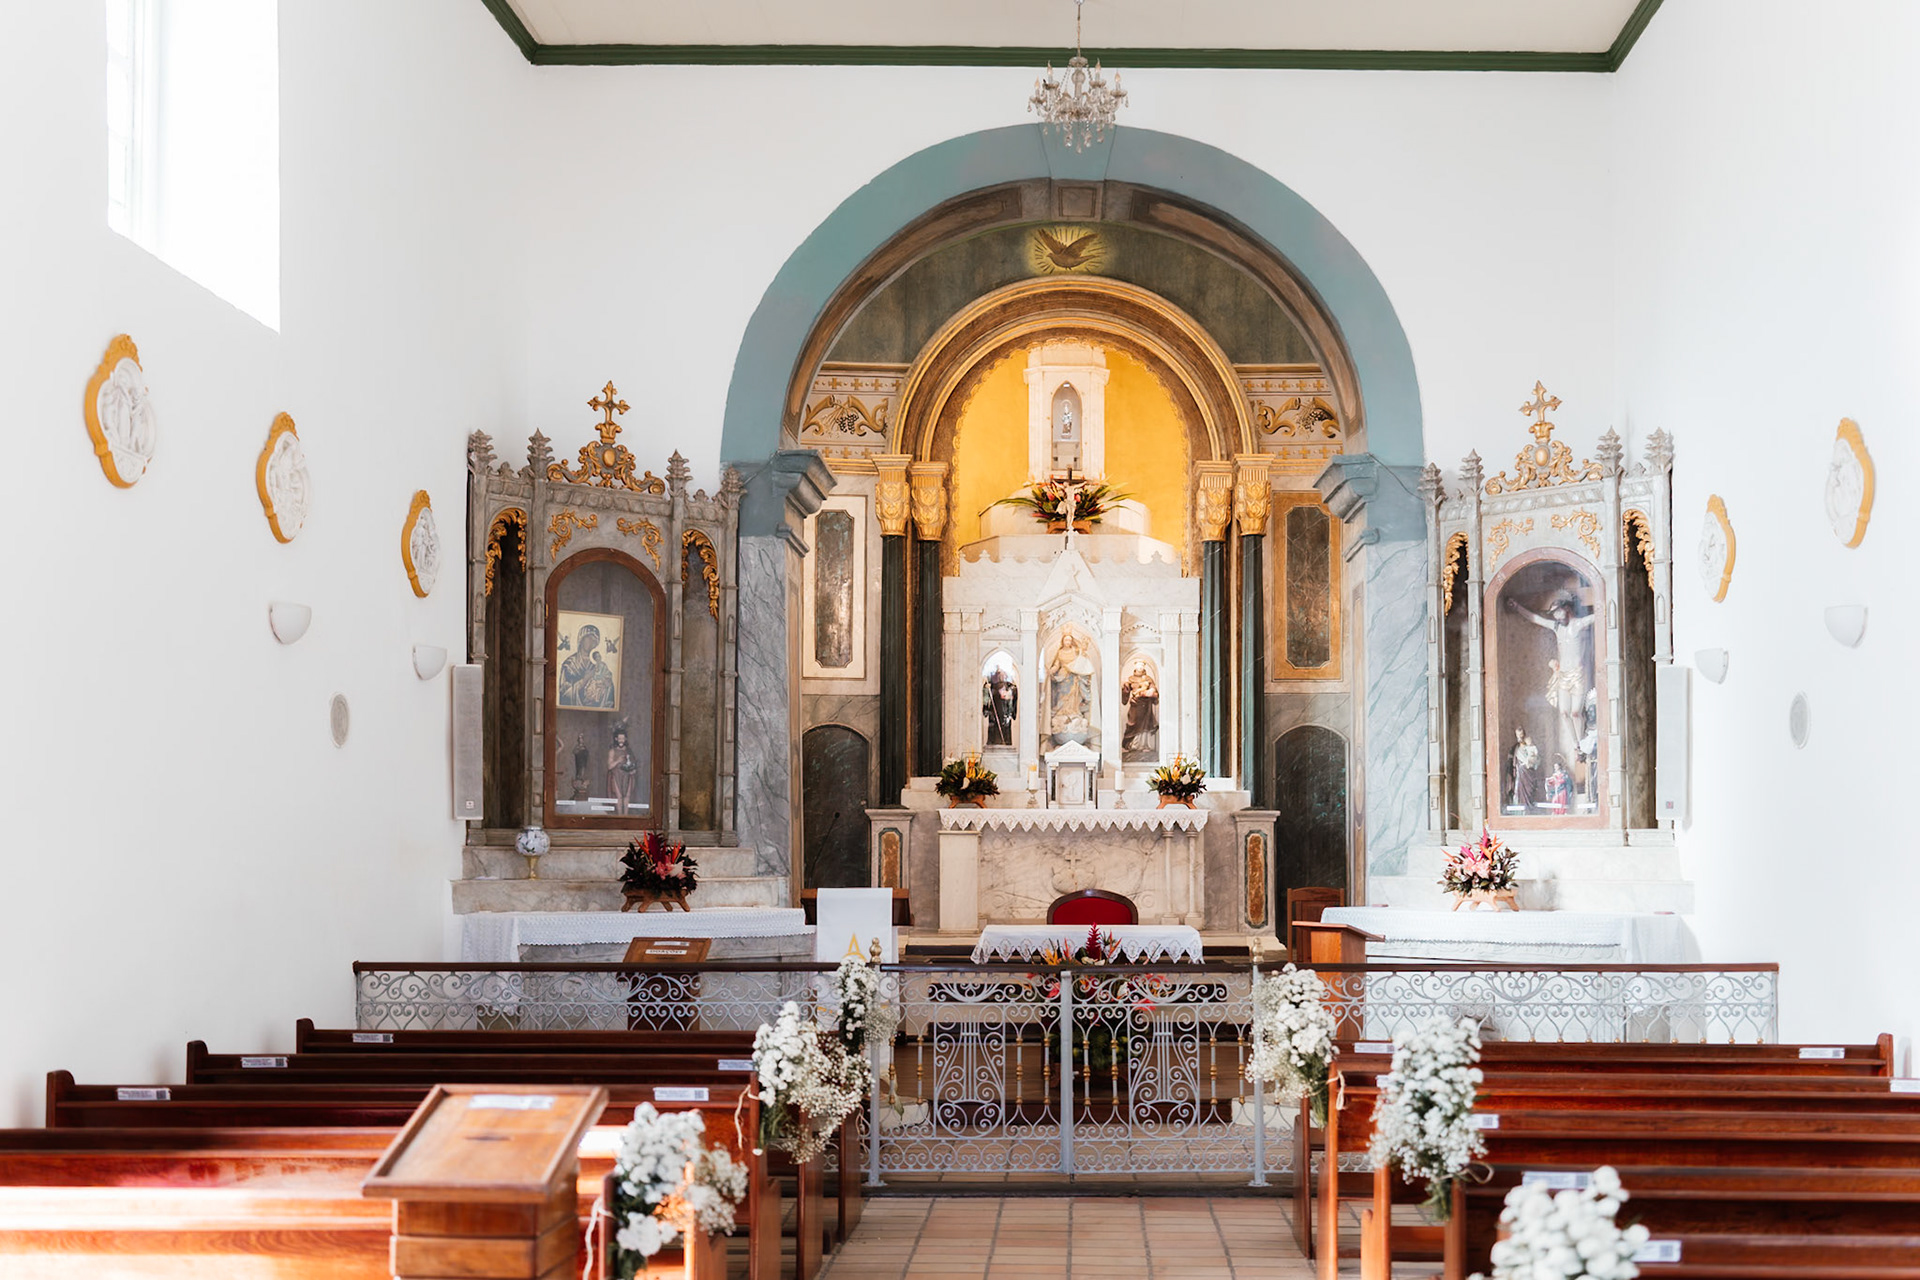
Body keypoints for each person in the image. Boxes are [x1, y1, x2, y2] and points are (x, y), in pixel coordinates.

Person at [558, 623, 617, 709]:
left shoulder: (598, 663)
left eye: (595, 640)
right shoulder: (569, 664)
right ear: (581, 639)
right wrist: (584, 680)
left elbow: (609, 687)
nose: (592, 642)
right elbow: (563, 693)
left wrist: (605, 684)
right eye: (589, 638)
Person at [1121, 662, 1159, 759]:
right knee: (1132, 723)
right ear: (1135, 666)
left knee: (1145, 725)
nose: (1140, 667)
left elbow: (1154, 691)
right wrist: (1125, 688)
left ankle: (1144, 745)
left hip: (1146, 706)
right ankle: (1131, 744)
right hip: (1135, 705)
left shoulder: (1148, 679)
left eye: (1142, 665)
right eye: (1138, 665)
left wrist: (1150, 692)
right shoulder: (1130, 679)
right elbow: (1126, 692)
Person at [983, 667, 1018, 747]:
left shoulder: (1009, 685)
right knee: (993, 727)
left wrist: (1010, 693)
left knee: (1005, 726)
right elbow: (986, 698)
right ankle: (992, 742)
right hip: (994, 713)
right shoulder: (991, 686)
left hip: (1005, 712)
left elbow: (1013, 692)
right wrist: (986, 688)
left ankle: (1005, 741)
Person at [607, 724, 637, 815]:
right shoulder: (612, 751)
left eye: (623, 739)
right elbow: (609, 766)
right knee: (618, 796)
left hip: (627, 776)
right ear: (616, 739)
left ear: (625, 739)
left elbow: (633, 764)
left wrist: (633, 770)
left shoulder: (629, 751)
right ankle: (620, 816)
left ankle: (626, 816)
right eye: (619, 739)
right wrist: (617, 761)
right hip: (616, 776)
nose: (621, 741)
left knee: (627, 796)